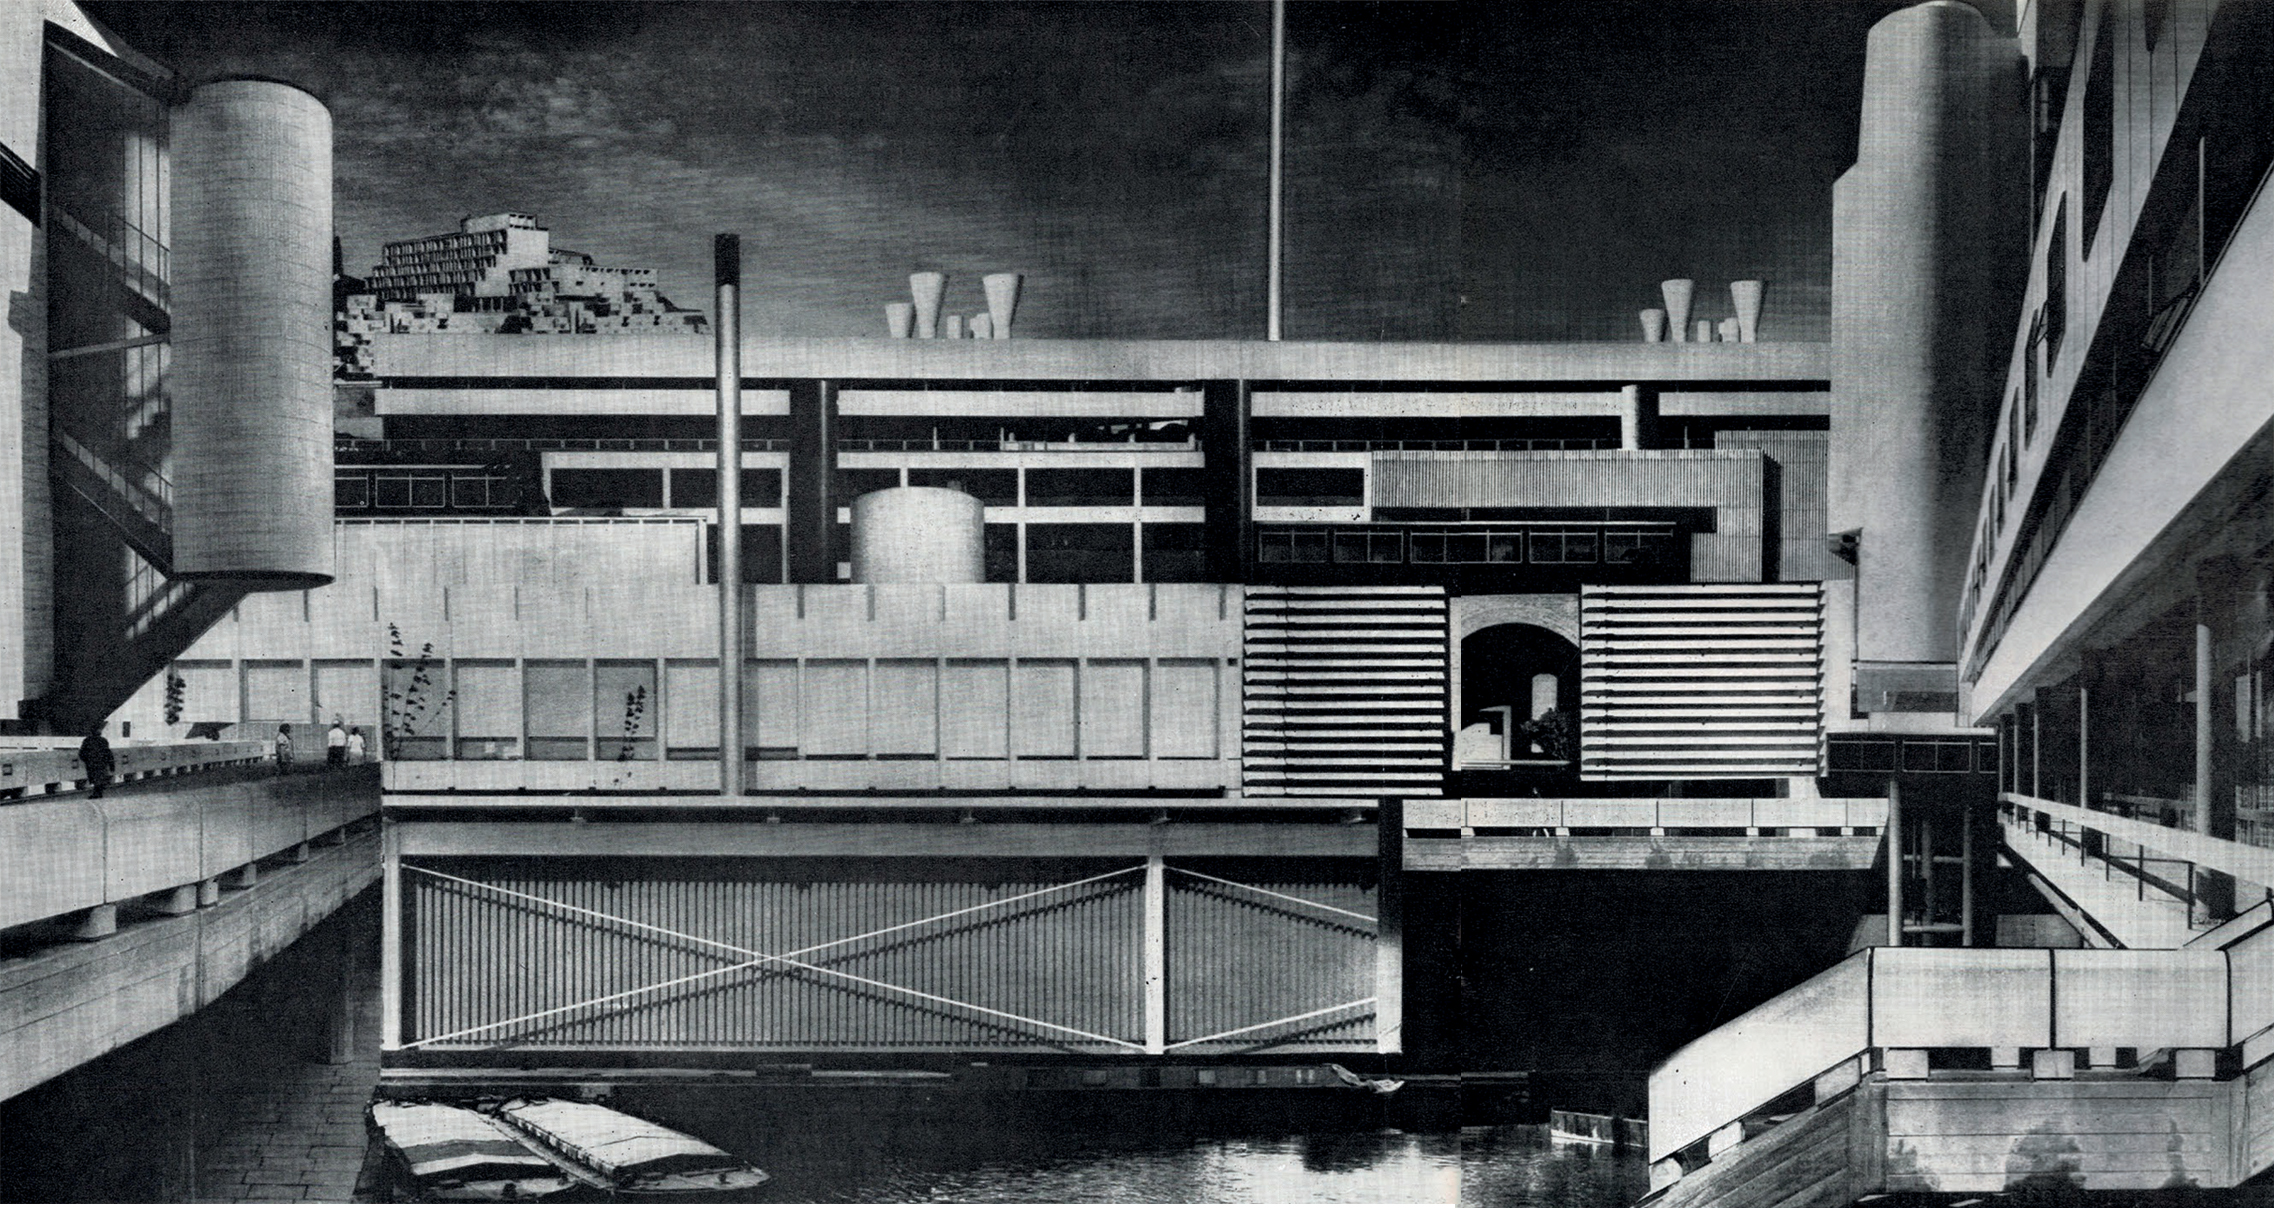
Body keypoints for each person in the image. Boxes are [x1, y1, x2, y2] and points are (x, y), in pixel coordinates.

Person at [79, 721, 115, 799]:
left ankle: (97, 793)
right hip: (102, 763)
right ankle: (98, 793)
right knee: (100, 777)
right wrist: (111, 764)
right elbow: (108, 753)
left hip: (91, 763)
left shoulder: (87, 740)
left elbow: (81, 753)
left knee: (95, 778)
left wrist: (87, 760)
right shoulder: (103, 740)